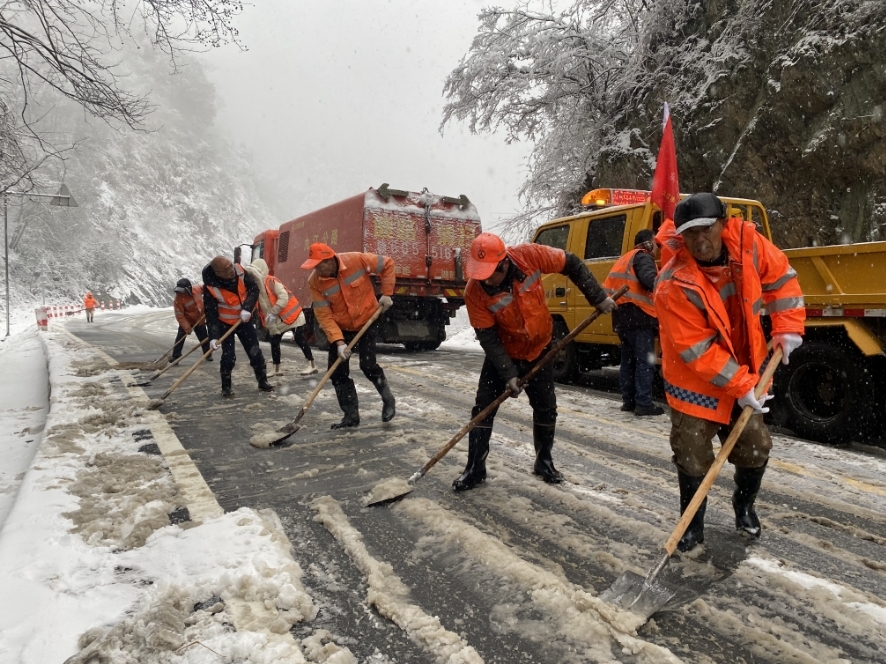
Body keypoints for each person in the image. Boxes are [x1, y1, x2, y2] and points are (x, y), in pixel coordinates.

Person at [654, 193, 805, 552]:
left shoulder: (749, 245)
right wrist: (740, 384)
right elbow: (697, 349)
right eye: (690, 234)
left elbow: (781, 280)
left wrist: (787, 325)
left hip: (748, 370)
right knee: (692, 454)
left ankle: (744, 505)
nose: (700, 240)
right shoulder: (672, 283)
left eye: (707, 229)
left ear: (723, 223)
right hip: (695, 382)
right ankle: (691, 526)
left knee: (755, 448)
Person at [453, 232, 617, 491]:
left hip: (540, 349)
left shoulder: (529, 256)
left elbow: (572, 263)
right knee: (483, 409)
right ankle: (475, 469)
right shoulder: (474, 292)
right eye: (479, 273)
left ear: (503, 263)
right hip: (503, 353)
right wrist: (508, 373)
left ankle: (544, 462)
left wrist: (597, 297)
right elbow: (489, 338)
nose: (483, 279)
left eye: (488, 274)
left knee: (546, 408)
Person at [301, 242, 395, 428]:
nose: (317, 270)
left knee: (368, 365)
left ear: (330, 260)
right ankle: (351, 416)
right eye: (314, 266)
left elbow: (388, 263)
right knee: (337, 372)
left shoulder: (356, 260)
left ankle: (388, 399)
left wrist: (387, 293)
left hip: (367, 320)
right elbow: (324, 315)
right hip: (341, 327)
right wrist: (339, 342)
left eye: (319, 265)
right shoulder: (315, 282)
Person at [603, 229, 664, 417]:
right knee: (644, 362)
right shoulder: (643, 257)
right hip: (639, 317)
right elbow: (649, 281)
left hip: (623, 318)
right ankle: (643, 404)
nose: (658, 247)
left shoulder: (625, 258)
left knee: (628, 362)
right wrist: (665, 281)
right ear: (648, 243)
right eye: (656, 243)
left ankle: (629, 401)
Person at [202, 256, 274, 397]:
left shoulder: (240, 271)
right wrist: (213, 336)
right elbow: (211, 314)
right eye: (226, 269)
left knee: (255, 352)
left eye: (230, 265)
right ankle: (226, 388)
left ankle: (262, 381)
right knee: (228, 356)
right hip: (225, 324)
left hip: (244, 321)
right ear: (218, 273)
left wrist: (247, 308)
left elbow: (253, 289)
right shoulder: (210, 287)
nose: (231, 270)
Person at [244, 258, 314, 375]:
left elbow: (283, 297)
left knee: (299, 339)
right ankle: (276, 369)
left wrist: (273, 312)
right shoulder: (256, 289)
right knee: (274, 342)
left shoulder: (271, 281)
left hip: (293, 316)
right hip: (278, 320)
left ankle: (311, 364)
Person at [171, 278, 211, 361]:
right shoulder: (178, 299)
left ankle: (207, 354)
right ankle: (176, 356)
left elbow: (208, 288)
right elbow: (180, 316)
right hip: (187, 321)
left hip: (199, 320)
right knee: (180, 339)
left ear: (188, 288)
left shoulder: (197, 289)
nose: (181, 292)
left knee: (204, 338)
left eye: (183, 290)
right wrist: (187, 327)